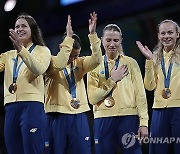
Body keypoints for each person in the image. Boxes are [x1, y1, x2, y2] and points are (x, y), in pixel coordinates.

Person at [44, 12, 102, 154]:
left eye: (76, 55)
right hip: (56, 115)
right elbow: (60, 63)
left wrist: (93, 35)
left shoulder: (80, 63)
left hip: (79, 114)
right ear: (61, 48)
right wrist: (68, 41)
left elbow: (97, 60)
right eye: (70, 55)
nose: (72, 58)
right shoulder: (50, 62)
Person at [87, 24, 149, 154]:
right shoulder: (94, 65)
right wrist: (112, 80)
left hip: (129, 119)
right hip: (103, 119)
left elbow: (140, 94)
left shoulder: (130, 63)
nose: (112, 44)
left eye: (116, 40)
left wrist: (144, 122)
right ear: (102, 40)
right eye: (108, 40)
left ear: (121, 41)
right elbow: (92, 99)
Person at [0, 14, 51, 153]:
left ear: (32, 29)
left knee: (33, 150)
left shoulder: (43, 51)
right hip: (10, 108)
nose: (19, 29)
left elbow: (38, 69)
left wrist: (21, 50)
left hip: (32, 106)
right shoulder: (8, 55)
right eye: (17, 26)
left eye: (24, 26)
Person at [136, 19, 180, 154]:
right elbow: (149, 87)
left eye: (170, 32)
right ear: (159, 36)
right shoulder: (154, 57)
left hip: (178, 108)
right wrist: (149, 61)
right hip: (158, 110)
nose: (166, 36)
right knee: (157, 149)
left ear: (177, 34)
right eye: (163, 33)